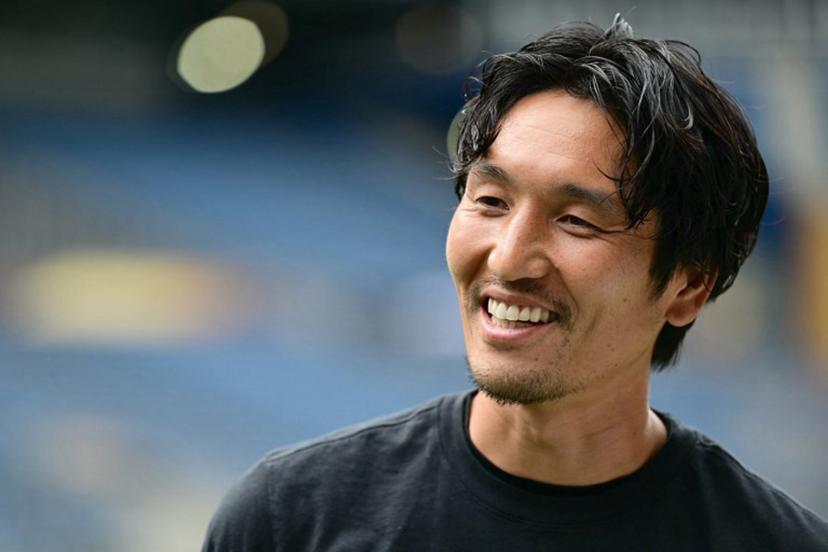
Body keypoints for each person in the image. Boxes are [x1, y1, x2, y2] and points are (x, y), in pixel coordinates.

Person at [202, 15, 828, 551]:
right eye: (492, 200)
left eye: (576, 220)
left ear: (688, 286)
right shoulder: (290, 519)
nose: (508, 259)